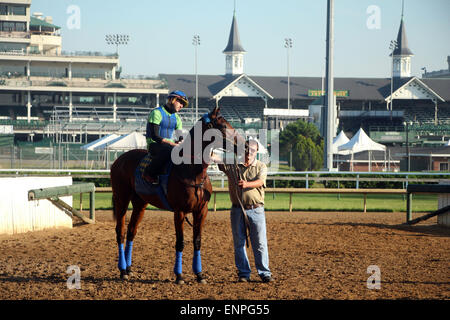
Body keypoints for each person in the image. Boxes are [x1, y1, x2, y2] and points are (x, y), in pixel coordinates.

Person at [218, 139, 273, 283]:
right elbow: (218, 160)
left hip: (256, 210)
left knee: (260, 242)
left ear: (256, 152)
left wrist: (247, 184)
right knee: (239, 243)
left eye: (252, 151)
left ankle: (264, 272)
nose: (249, 153)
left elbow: (260, 182)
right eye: (246, 150)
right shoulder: (232, 165)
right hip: (237, 210)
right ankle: (244, 273)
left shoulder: (261, 166)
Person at [143, 90, 188, 183]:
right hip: (154, 144)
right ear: (172, 99)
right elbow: (154, 136)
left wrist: (181, 142)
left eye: (183, 104)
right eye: (180, 102)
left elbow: (180, 137)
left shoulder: (177, 118)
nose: (182, 106)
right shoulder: (157, 113)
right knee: (168, 150)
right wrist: (172, 143)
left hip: (169, 145)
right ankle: (149, 173)